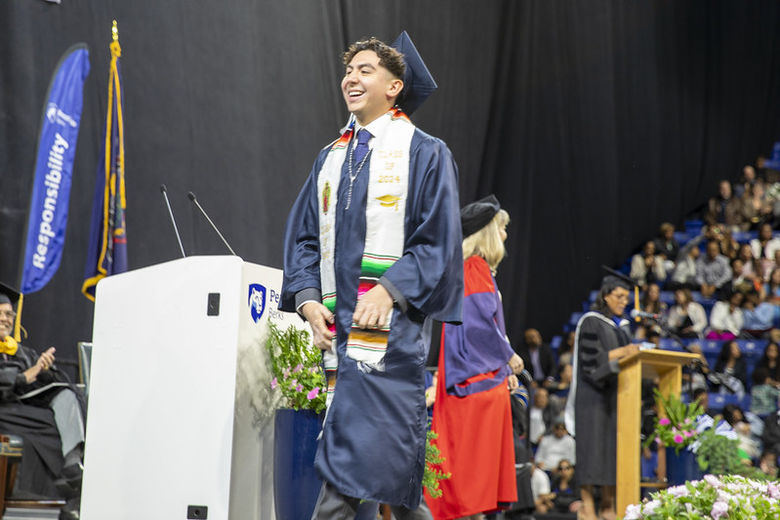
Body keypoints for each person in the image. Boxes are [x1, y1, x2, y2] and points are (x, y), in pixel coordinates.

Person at [279, 33, 463, 517]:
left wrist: (389, 287)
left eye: (365, 70)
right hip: (340, 331)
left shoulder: (425, 153)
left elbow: (438, 240)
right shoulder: (330, 158)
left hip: (390, 335)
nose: (351, 78)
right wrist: (307, 297)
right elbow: (303, 238)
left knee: (357, 464)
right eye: (349, 71)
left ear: (394, 86)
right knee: (390, 473)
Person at [428, 195, 521, 520]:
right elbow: (480, 324)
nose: (506, 236)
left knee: (468, 485)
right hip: (473, 387)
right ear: (488, 232)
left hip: (473, 380)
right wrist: (507, 357)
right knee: (469, 484)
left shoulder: (471, 269)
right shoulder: (474, 268)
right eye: (502, 228)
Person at [0, 283, 84, 519]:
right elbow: (20, 379)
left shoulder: (20, 351)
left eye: (9, 314)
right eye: (1, 313)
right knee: (41, 428)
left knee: (67, 394)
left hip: (24, 409)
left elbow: (41, 381)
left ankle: (72, 465)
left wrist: (45, 370)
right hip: (5, 409)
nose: (6, 319)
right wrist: (21, 377)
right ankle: (54, 495)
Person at [564, 273, 640, 520]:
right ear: (605, 296)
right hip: (592, 398)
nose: (624, 302)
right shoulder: (591, 322)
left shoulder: (624, 326)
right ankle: (587, 507)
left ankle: (608, 506)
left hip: (616, 397)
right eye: (619, 296)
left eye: (626, 298)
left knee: (611, 453)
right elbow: (591, 361)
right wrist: (623, 352)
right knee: (591, 452)